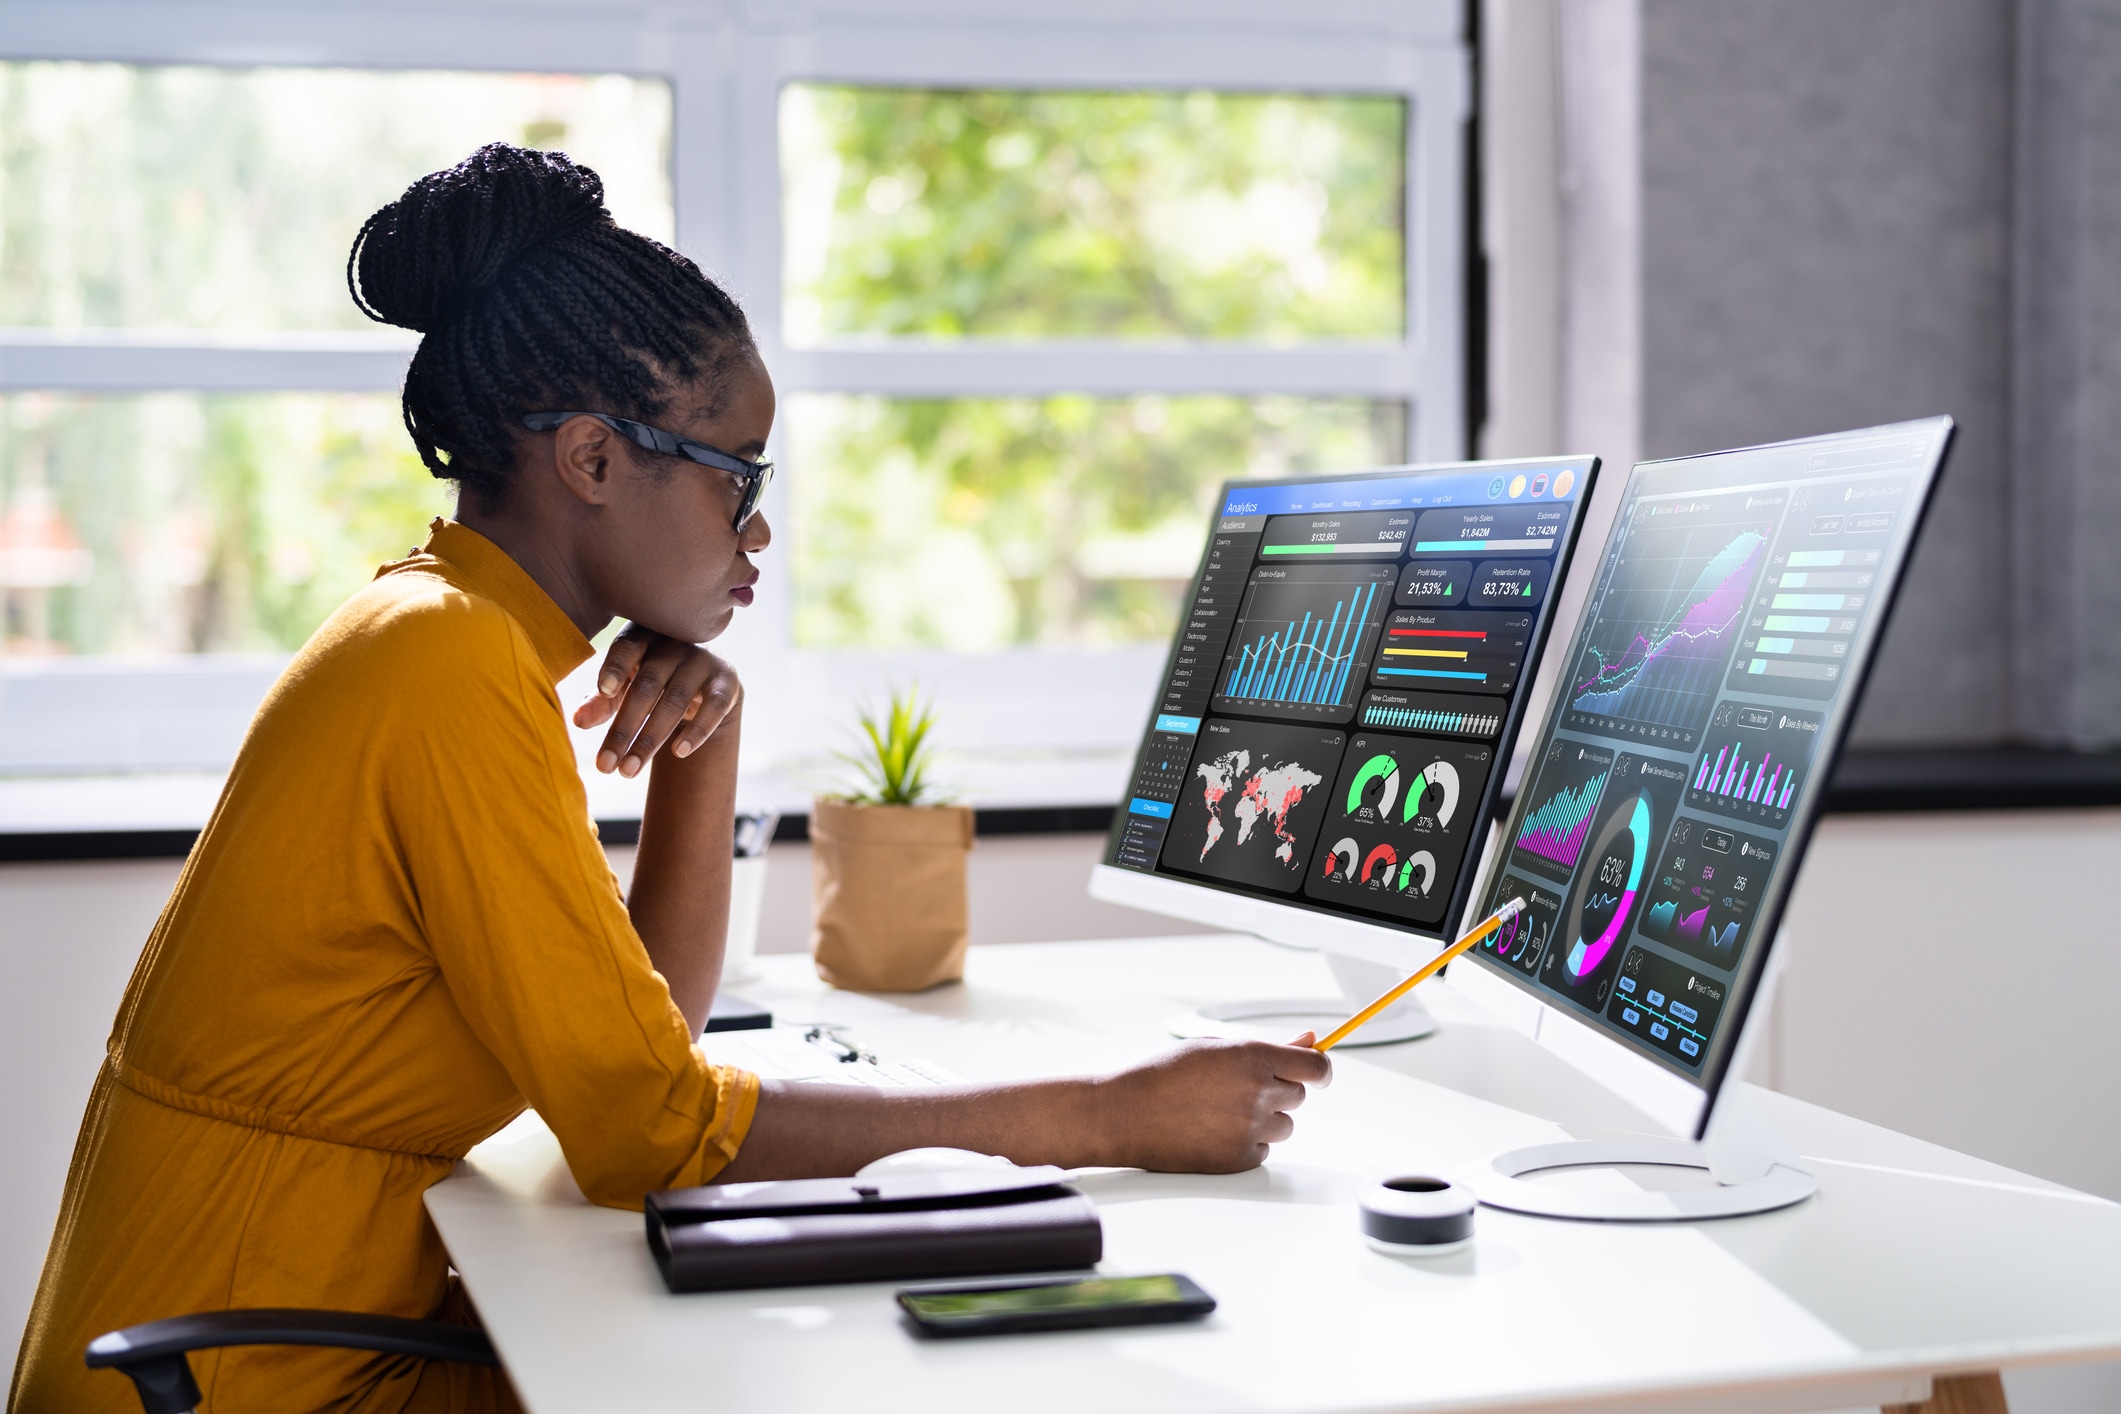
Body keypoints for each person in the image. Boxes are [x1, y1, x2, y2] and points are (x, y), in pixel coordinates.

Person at [8, 143, 1330, 1414]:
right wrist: (1111, 1111)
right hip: (254, 1378)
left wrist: (708, 740)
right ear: (592, 460)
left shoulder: (439, 633)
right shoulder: (444, 669)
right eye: (738, 477)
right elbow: (647, 1131)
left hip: (279, 1339)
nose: (756, 533)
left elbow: (647, 1040)